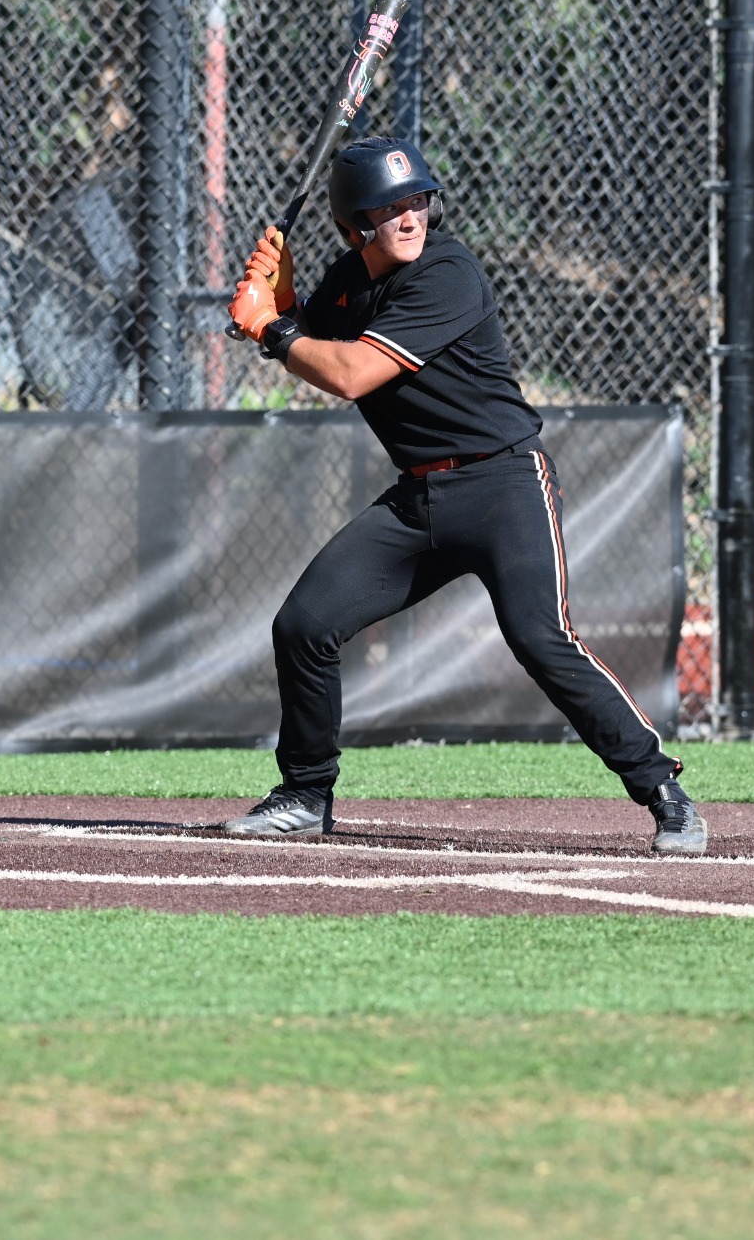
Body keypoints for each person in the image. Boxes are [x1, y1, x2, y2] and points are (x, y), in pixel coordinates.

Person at [223, 137, 705, 854]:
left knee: (541, 640)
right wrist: (284, 301)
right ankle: (304, 792)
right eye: (390, 207)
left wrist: (272, 326)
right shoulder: (349, 280)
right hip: (419, 499)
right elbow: (315, 347)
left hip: (503, 485)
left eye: (417, 198)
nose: (411, 215)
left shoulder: (447, 272)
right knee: (305, 625)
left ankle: (664, 791)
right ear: (356, 224)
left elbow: (351, 373)